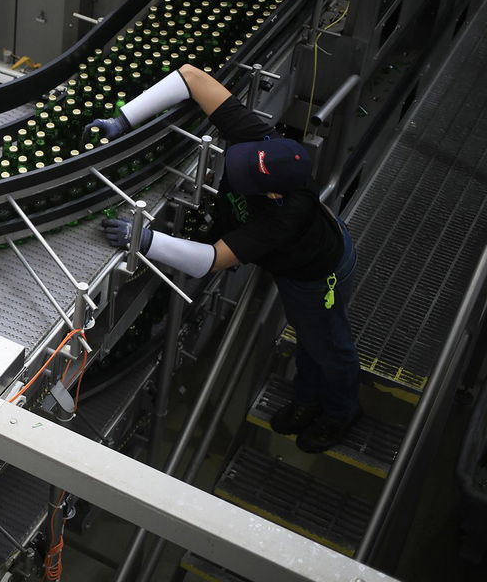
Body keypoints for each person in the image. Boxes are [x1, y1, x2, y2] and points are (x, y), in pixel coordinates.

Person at [90, 65, 360, 453]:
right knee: (312, 337)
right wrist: (124, 118)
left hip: (316, 277)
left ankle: (338, 412)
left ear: (270, 195)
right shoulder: (259, 139)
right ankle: (308, 397)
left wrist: (146, 241)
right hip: (298, 264)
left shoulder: (283, 217)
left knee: (327, 343)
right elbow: (189, 77)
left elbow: (213, 260)